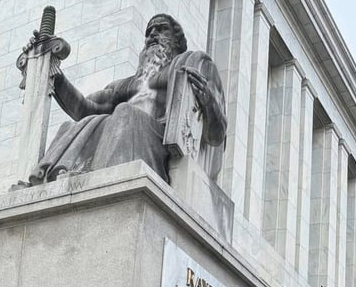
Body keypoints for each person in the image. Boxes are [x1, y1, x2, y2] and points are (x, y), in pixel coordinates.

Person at [26, 13, 227, 185]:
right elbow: (84, 109)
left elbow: (217, 136)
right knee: (71, 126)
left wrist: (209, 102)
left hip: (159, 145)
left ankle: (96, 176)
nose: (152, 35)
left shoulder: (189, 66)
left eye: (161, 29)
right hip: (123, 133)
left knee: (125, 112)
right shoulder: (126, 85)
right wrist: (54, 73)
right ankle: (52, 175)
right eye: (149, 32)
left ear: (177, 42)